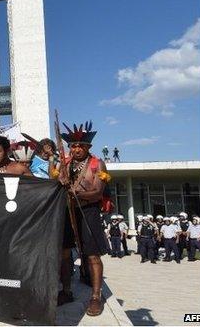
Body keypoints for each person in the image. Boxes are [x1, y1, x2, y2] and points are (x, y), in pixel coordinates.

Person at [57, 121, 109, 317]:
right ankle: (66, 291)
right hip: (68, 211)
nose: (77, 149)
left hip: (89, 212)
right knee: (64, 254)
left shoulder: (97, 164)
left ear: (88, 147)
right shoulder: (66, 163)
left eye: (81, 146)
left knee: (92, 255)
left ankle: (96, 297)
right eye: (74, 146)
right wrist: (60, 179)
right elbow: (58, 184)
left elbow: (97, 193)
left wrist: (75, 194)